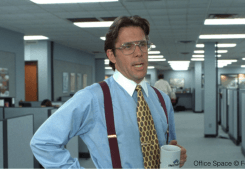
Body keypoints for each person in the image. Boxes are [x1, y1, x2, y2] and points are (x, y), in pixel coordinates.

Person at [30, 15, 187, 168]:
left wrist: (175, 157)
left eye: (143, 44)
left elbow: (168, 147)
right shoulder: (92, 98)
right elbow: (43, 142)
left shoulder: (162, 99)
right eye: (128, 47)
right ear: (112, 55)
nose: (139, 53)